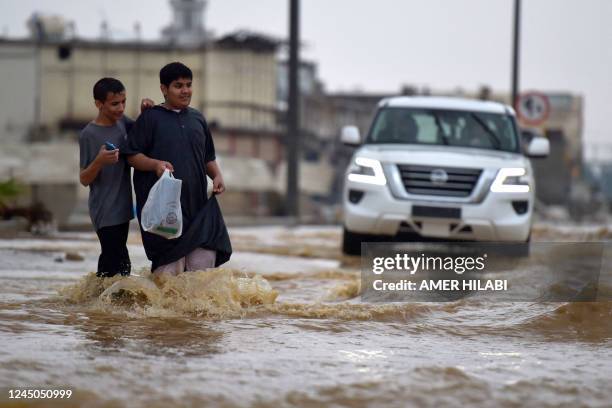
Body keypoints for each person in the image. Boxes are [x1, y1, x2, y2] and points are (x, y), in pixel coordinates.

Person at [123, 62, 232, 275]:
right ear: (164, 89)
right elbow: (131, 156)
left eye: (189, 85)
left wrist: (217, 175)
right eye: (178, 85)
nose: (185, 91)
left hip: (198, 211)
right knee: (167, 283)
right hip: (165, 214)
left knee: (202, 282)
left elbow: (207, 157)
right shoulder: (150, 118)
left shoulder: (198, 119)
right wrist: (155, 164)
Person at [79, 78, 153, 277]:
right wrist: (99, 161)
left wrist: (145, 113)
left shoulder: (122, 122)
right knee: (120, 263)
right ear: (99, 104)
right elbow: (84, 179)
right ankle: (106, 303)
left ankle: (93, 303)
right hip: (104, 209)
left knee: (112, 261)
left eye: (123, 102)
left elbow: (140, 132)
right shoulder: (89, 134)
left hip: (123, 207)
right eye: (114, 104)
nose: (120, 108)